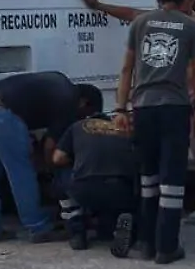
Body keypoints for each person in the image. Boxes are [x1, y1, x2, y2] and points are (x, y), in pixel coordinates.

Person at [83, 0, 195, 224]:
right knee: (164, 166)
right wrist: (99, 5)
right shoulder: (153, 21)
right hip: (173, 102)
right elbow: (128, 13)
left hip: (182, 98)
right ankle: (164, 225)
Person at [116, 0, 195, 264]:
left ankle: (145, 243)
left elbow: (126, 70)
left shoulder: (140, 23)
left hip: (143, 107)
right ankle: (166, 247)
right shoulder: (192, 28)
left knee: (148, 177)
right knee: (172, 179)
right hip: (174, 107)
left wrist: (120, 109)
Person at [0, 70, 79, 245]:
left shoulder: (59, 83)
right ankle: (38, 227)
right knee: (21, 172)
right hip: (1, 114)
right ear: (84, 102)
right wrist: (49, 168)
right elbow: (50, 146)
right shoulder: (69, 101)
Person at [50, 84, 139, 255]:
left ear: (83, 104)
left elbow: (57, 158)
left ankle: (77, 231)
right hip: (122, 189)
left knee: (62, 176)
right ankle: (118, 227)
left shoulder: (77, 126)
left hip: (86, 188)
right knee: (114, 208)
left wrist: (77, 157)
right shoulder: (121, 126)